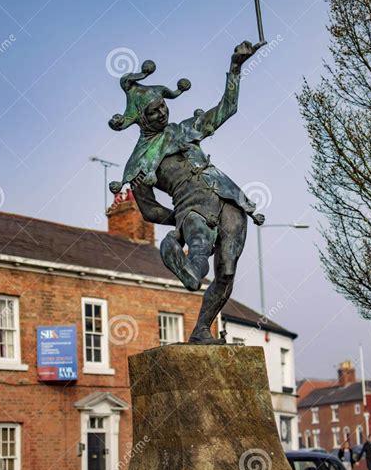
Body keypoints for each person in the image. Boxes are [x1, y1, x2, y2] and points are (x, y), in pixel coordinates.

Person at [108, 42, 265, 345]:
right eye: (153, 112)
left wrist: (235, 67)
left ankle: (201, 329)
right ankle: (186, 265)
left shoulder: (183, 130)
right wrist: (176, 220)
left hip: (226, 198)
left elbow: (226, 109)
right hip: (190, 207)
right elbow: (148, 209)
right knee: (199, 246)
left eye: (163, 107)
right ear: (141, 117)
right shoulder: (138, 162)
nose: (161, 114)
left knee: (228, 271)